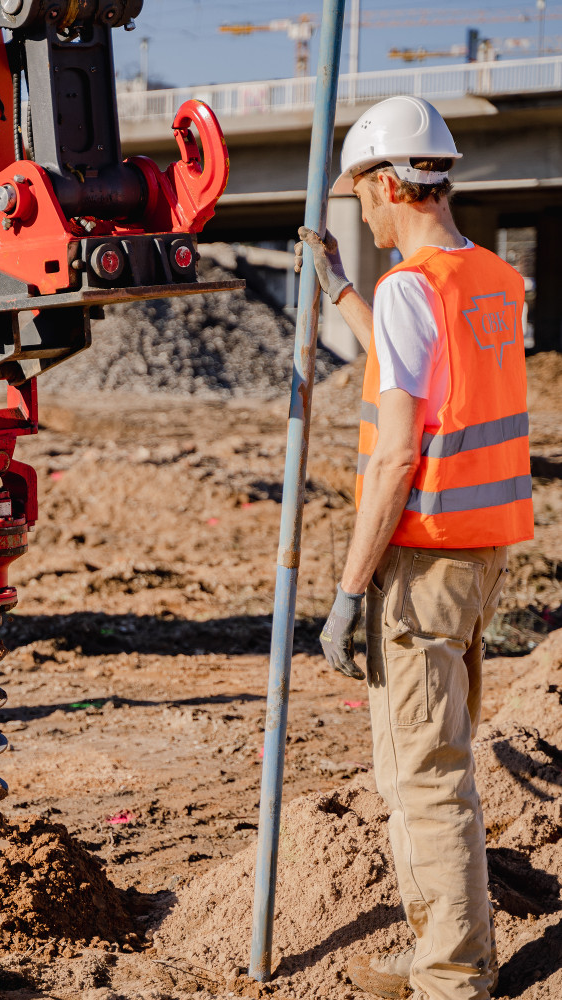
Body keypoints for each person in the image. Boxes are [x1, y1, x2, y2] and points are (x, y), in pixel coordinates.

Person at [297, 95, 533, 1000]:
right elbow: (422, 367)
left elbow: (398, 451)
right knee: (437, 758)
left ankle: (450, 975)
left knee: (423, 773)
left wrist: (351, 590)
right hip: (481, 553)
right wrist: (342, 293)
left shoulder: (411, 288)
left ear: (391, 182)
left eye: (361, 192)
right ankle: (444, 946)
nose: (358, 209)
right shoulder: (485, 282)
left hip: (423, 554)